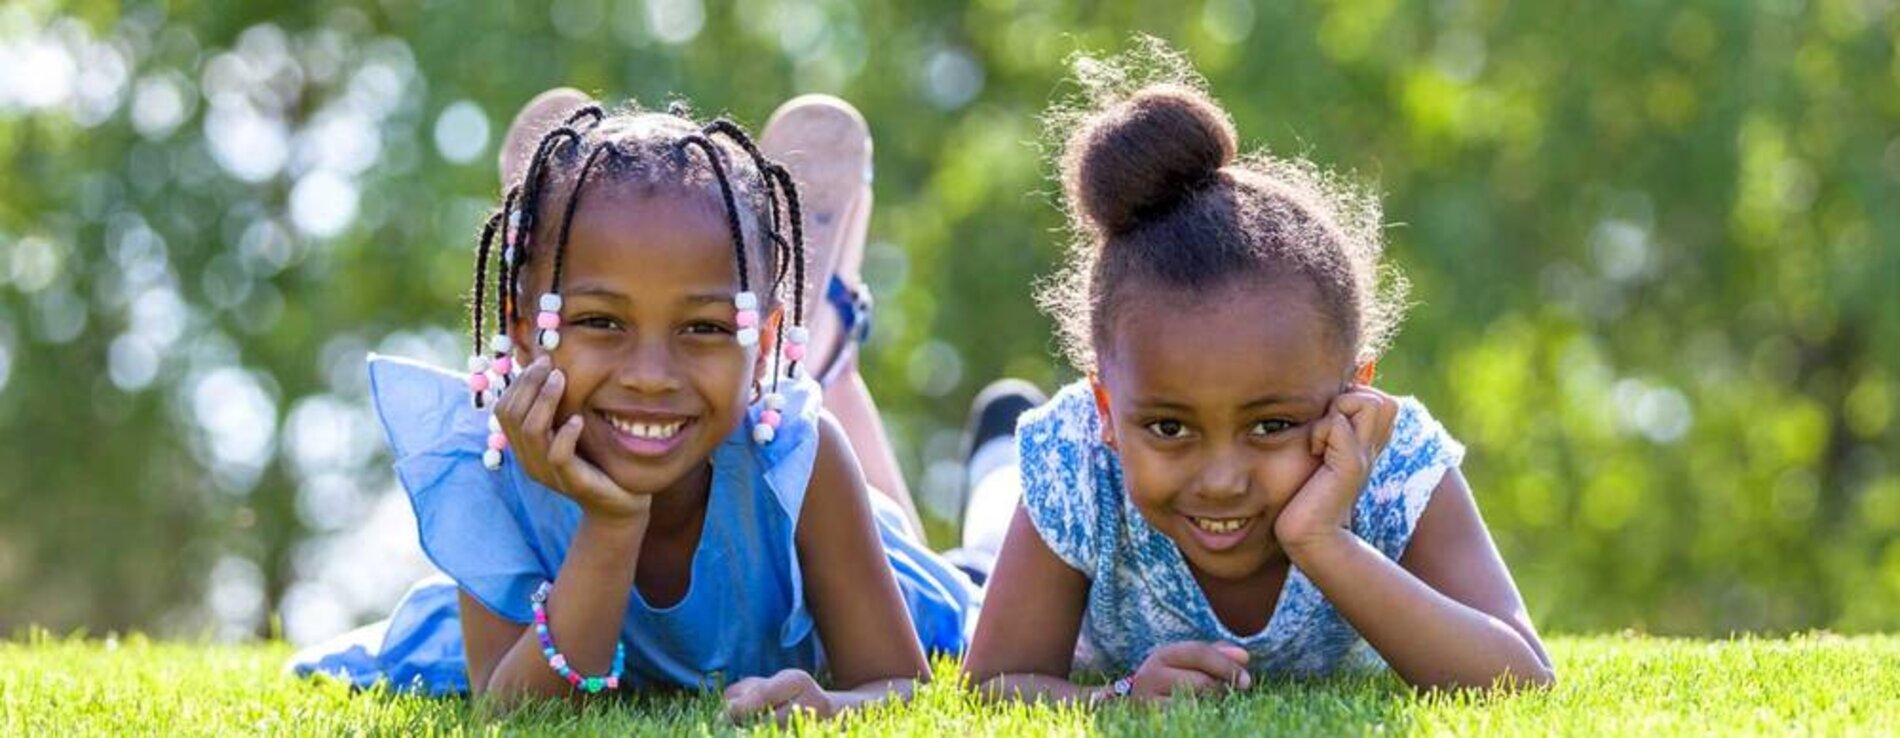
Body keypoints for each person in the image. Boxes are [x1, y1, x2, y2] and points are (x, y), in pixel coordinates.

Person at [290, 95, 977, 721]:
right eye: (599, 322)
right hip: (731, 419)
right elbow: (512, 717)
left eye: (705, 327)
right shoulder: (492, 468)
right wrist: (612, 523)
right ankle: (816, 343)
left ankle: (840, 356)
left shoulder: (802, 460)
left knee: (925, 524)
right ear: (522, 332)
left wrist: (831, 706)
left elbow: (902, 687)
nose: (651, 377)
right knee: (779, 407)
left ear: (762, 338)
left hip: (808, 499)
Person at [962, 40, 1554, 703]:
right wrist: (1120, 697)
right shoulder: (1077, 463)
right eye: (1168, 427)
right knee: (975, 564)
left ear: (1353, 394)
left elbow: (1523, 682)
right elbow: (992, 683)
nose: (1221, 480)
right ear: (1104, 408)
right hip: (1000, 556)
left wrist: (1323, 540)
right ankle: (994, 464)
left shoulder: (1393, 464)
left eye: (1271, 424)